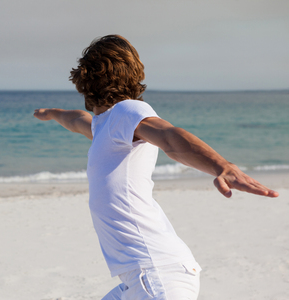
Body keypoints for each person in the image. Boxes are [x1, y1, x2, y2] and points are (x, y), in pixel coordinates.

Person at [33, 35, 278, 300]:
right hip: (137, 279)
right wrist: (52, 113)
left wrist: (222, 166)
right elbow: (76, 119)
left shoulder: (127, 111)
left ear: (85, 79)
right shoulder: (105, 125)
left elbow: (170, 137)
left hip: (156, 275)